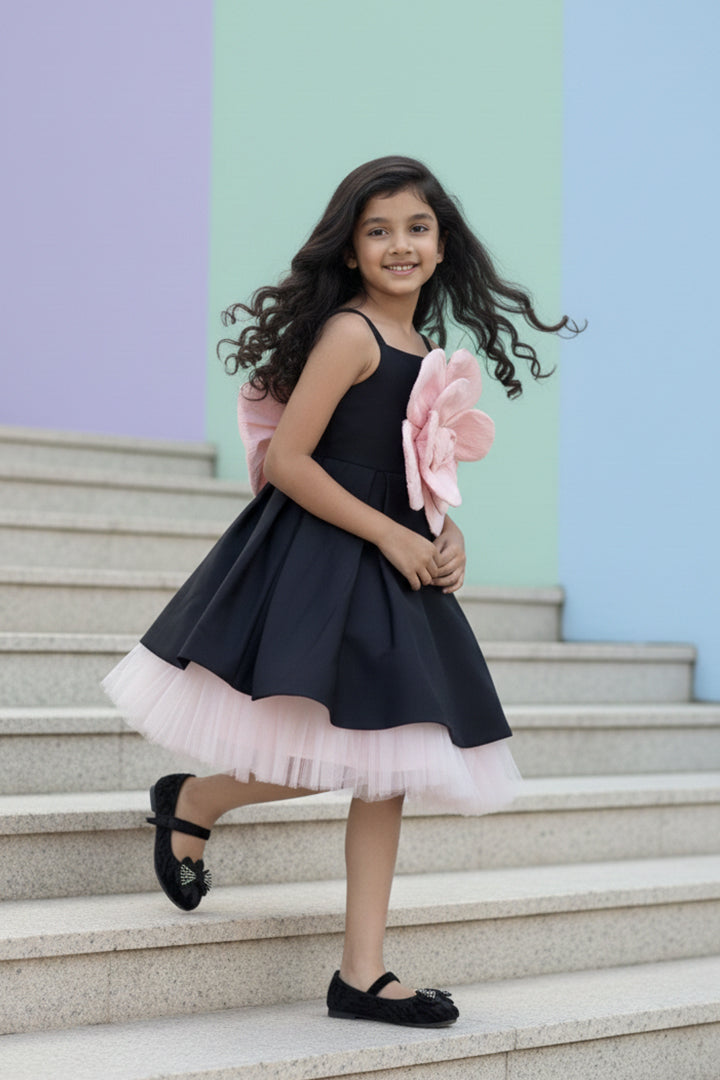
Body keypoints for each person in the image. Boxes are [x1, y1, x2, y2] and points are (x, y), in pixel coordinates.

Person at [103, 155, 580, 1028]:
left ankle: (358, 970)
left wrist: (444, 533)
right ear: (352, 250)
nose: (400, 244)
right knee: (360, 752)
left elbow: (416, 471)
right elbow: (289, 460)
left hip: (395, 563)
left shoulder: (426, 351)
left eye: (417, 228)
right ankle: (199, 799)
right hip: (327, 558)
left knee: (387, 762)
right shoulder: (352, 335)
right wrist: (396, 535)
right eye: (378, 230)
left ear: (442, 246)